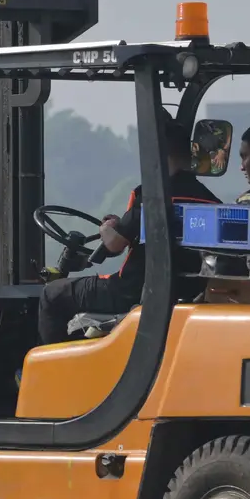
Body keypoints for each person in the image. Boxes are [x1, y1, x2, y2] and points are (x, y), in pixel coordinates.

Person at [37, 118, 220, 345]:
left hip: (130, 291)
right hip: (183, 292)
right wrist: (121, 224)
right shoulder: (211, 202)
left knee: (52, 294)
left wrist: (106, 229)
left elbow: (114, 244)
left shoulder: (152, 197)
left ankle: (54, 371)